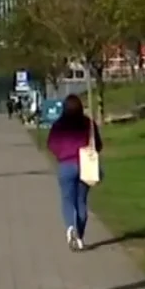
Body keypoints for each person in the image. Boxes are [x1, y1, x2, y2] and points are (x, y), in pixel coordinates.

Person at [45, 94, 102, 251]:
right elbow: (98, 144)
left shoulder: (59, 125)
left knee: (67, 199)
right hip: (85, 165)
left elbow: (51, 144)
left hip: (66, 164)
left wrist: (61, 154)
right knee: (81, 201)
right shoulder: (88, 124)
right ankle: (80, 236)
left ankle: (71, 226)